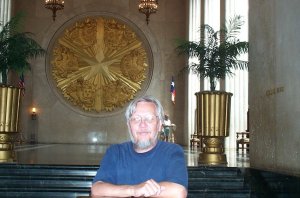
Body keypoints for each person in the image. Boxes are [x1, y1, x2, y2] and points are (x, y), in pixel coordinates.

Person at [91, 95, 188, 197]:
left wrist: (132, 191)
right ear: (129, 125)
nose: (142, 124)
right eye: (136, 119)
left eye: (149, 119)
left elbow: (178, 192)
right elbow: (97, 189)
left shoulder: (172, 151)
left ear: (159, 125)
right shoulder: (116, 152)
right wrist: (134, 190)